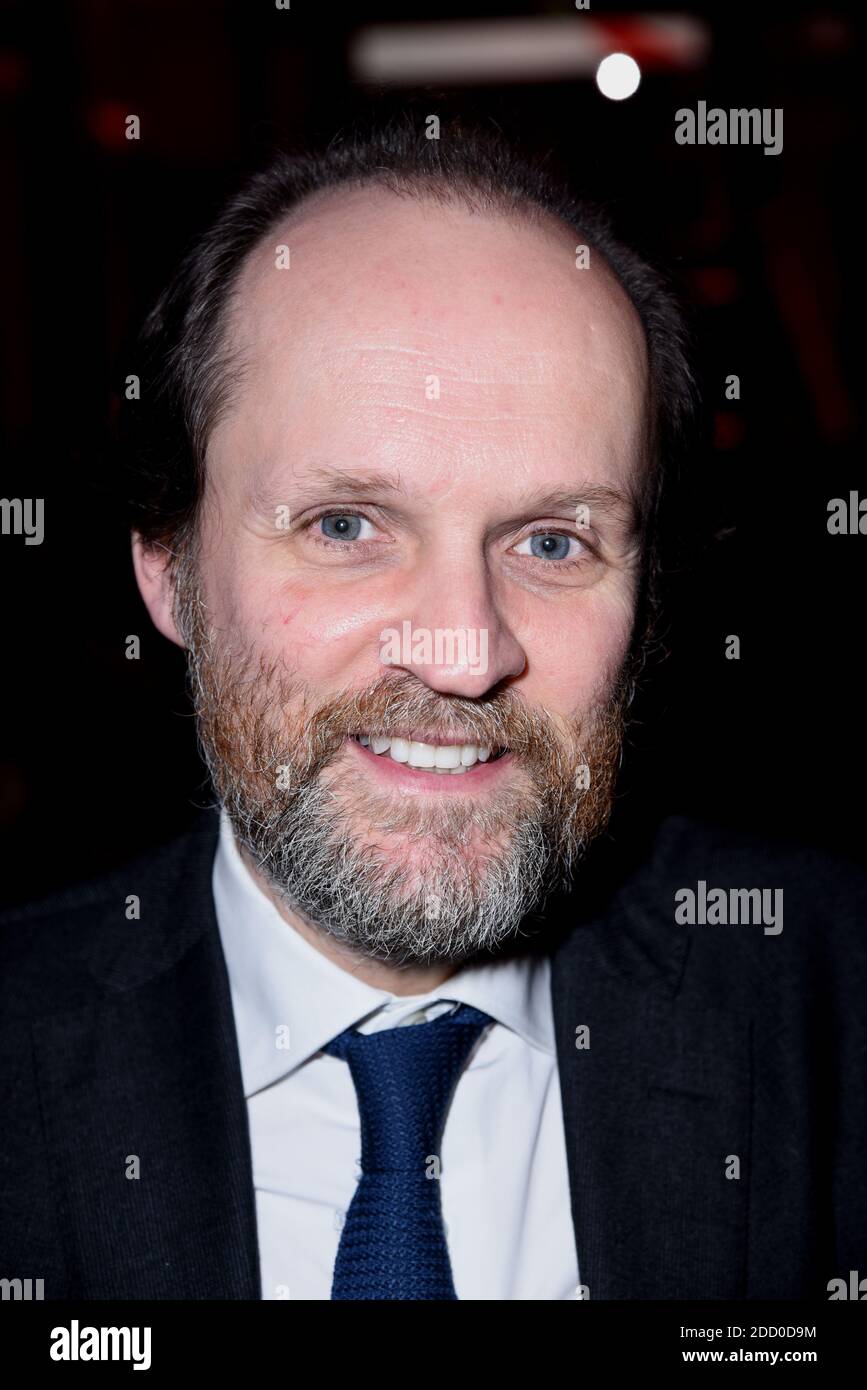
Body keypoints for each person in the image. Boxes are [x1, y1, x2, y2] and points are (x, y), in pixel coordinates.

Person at [1, 120, 864, 1301]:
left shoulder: (835, 998)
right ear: (166, 564)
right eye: (346, 527)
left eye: (553, 541)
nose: (463, 653)